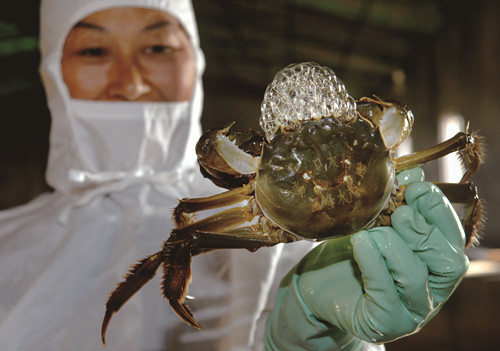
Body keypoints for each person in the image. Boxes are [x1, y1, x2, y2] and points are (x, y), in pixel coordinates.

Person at [0, 0, 468, 350]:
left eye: (158, 46)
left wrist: (327, 335)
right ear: (50, 72)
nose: (132, 81)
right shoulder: (8, 245)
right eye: (95, 49)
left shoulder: (298, 261)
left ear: (195, 62)